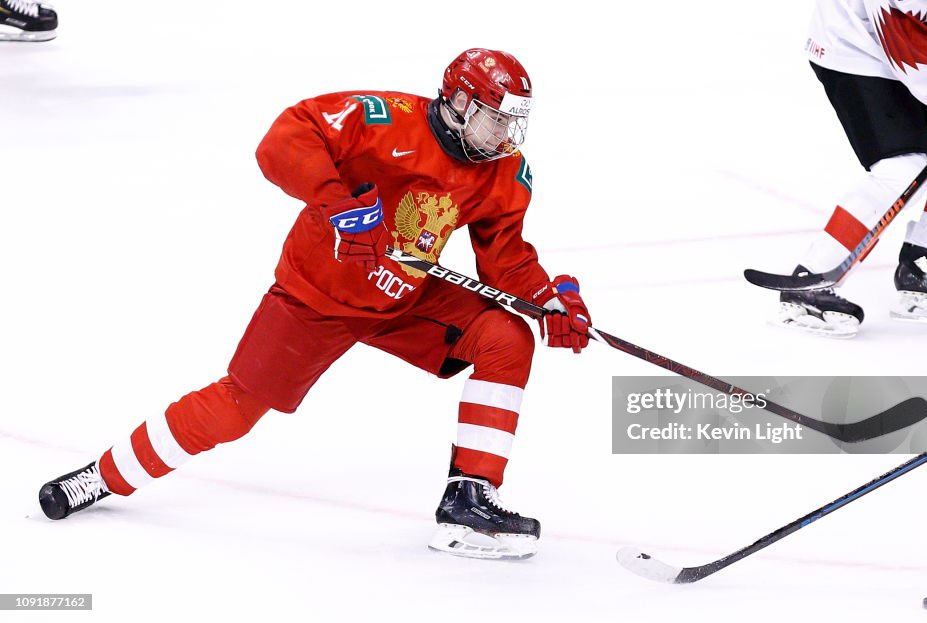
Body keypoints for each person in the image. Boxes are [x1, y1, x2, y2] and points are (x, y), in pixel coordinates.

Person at [37, 48, 593, 561]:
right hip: (315, 299)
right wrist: (339, 206)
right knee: (235, 409)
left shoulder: (502, 172)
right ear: (460, 102)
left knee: (506, 338)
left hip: (404, 299)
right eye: (497, 118)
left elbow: (506, 259)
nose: (507, 134)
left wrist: (547, 300)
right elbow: (284, 138)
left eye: (514, 121)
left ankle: (467, 503)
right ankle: (102, 477)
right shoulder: (382, 118)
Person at [775, 0, 927, 337]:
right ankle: (808, 282)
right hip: (853, 47)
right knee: (902, 170)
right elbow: (895, 24)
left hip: (904, 52)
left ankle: (922, 268)